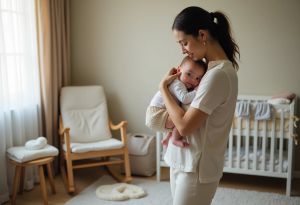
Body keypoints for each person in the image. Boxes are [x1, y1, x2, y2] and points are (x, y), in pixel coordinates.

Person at [145, 6, 239, 205]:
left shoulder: (218, 75)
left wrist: (163, 87)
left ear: (202, 35)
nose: (183, 50)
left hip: (196, 168)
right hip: (180, 159)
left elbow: (185, 126)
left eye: (184, 42)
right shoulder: (207, 72)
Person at [149, 56, 207, 148]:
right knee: (183, 119)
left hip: (158, 113)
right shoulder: (177, 84)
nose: (192, 80)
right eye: (189, 74)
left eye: (197, 78)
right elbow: (184, 98)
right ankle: (175, 139)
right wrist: (197, 91)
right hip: (157, 114)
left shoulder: (181, 84)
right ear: (178, 70)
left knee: (178, 118)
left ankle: (167, 138)